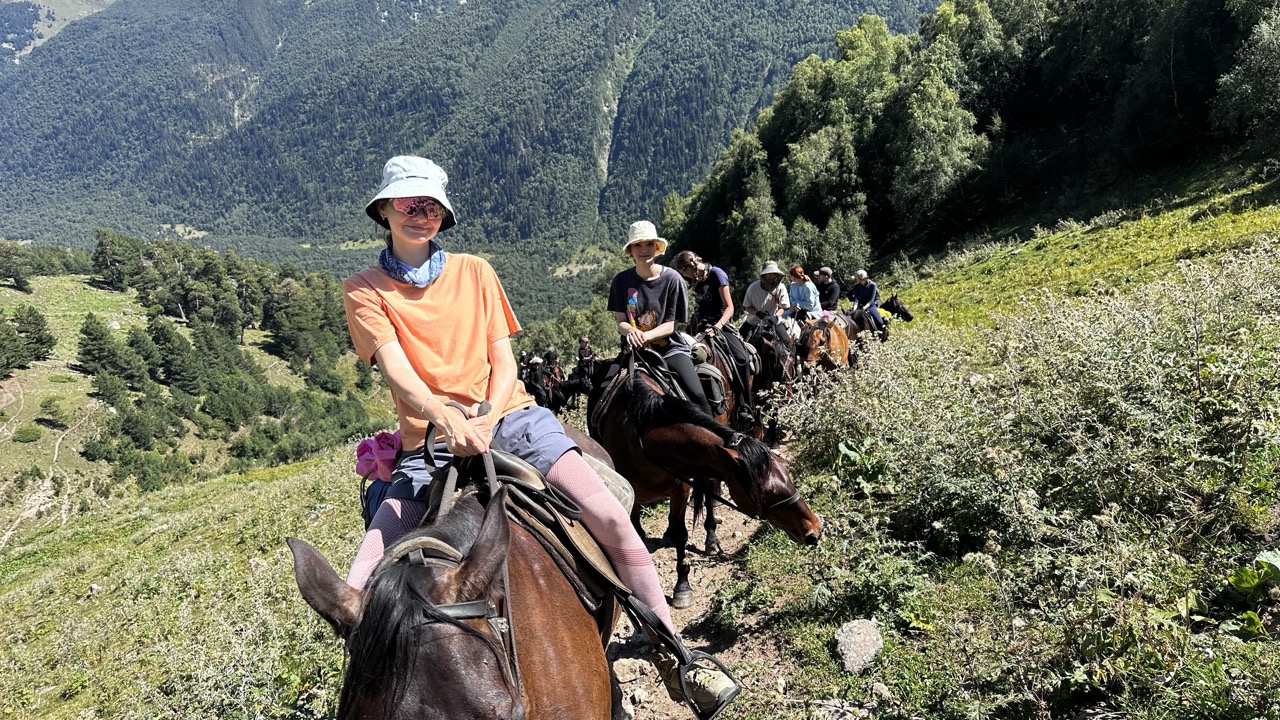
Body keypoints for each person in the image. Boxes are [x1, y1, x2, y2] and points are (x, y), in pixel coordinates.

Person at [342, 157, 739, 717]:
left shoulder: (476, 272)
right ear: (384, 209)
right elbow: (397, 372)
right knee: (357, 592)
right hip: (428, 441)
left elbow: (502, 360)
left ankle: (675, 654)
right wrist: (447, 418)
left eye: (429, 204)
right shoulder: (363, 289)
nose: (418, 214)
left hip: (510, 419)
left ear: (443, 214)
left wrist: (482, 414)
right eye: (407, 204)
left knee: (613, 522)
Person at [607, 221, 713, 416]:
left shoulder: (673, 279)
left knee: (697, 394)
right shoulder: (620, 281)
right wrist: (631, 331)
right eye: (638, 245)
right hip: (632, 351)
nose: (644, 250)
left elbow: (672, 324)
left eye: (648, 244)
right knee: (603, 393)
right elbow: (621, 320)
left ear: (656, 247)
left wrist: (646, 337)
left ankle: (717, 437)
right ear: (630, 249)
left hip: (669, 349)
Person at [673, 249, 755, 425]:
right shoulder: (696, 281)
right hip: (702, 325)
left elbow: (729, 307)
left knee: (742, 359)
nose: (685, 276)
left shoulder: (717, 274)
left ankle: (746, 405)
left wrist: (717, 327)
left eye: (684, 272)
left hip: (721, 324)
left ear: (690, 267)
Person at [740, 260, 793, 343]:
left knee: (786, 341)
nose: (771, 276)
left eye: (774, 273)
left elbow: (783, 307)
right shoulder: (753, 288)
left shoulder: (781, 287)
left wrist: (775, 316)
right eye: (769, 273)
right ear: (764, 274)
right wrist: (757, 313)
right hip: (753, 320)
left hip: (773, 321)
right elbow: (747, 307)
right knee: (738, 340)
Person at [847, 268, 886, 332]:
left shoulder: (872, 285)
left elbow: (871, 300)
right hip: (860, 306)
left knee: (880, 322)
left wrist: (864, 308)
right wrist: (854, 309)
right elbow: (856, 299)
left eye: (857, 278)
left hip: (870, 306)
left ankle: (883, 332)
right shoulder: (856, 287)